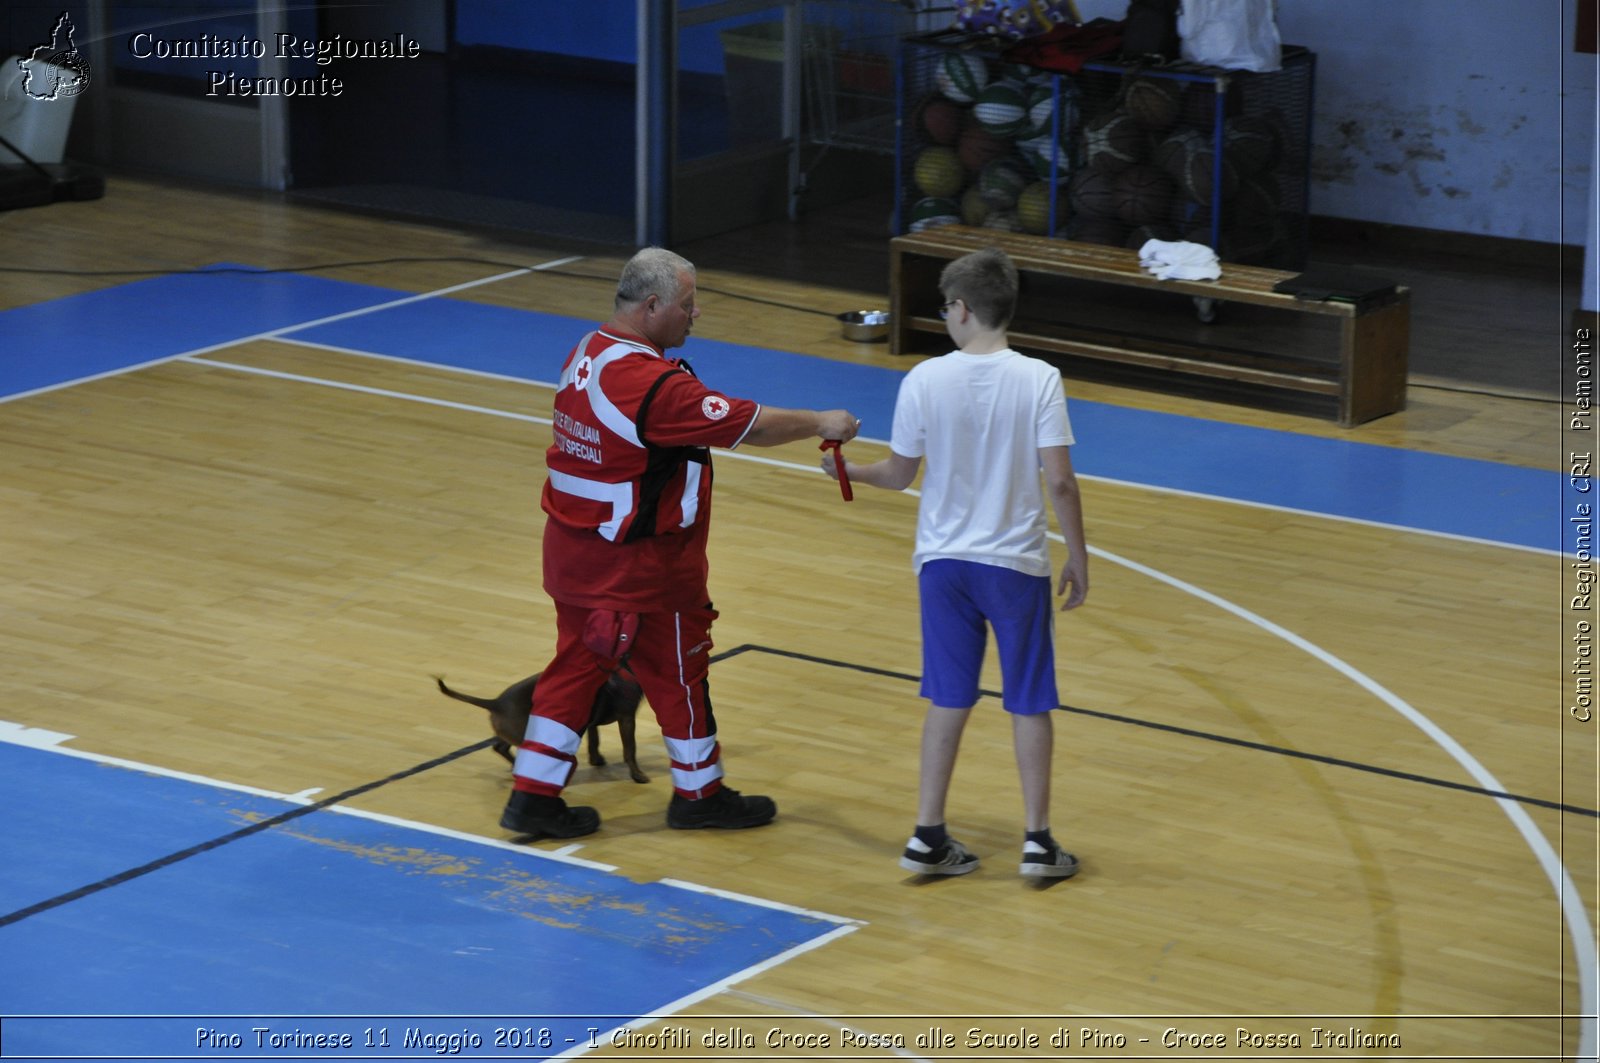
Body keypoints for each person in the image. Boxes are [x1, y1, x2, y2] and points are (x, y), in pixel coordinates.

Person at [503, 247, 860, 840]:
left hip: (575, 553)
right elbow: (753, 424)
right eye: (688, 306)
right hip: (638, 570)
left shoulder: (588, 353)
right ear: (651, 306)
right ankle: (691, 795)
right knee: (677, 669)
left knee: (586, 666)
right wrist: (821, 421)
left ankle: (542, 796)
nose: (697, 316)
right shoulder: (648, 384)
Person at [822, 246, 1089, 878]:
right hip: (1014, 565)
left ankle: (926, 835)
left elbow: (899, 472)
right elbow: (1061, 484)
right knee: (1028, 700)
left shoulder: (923, 380)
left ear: (962, 308)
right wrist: (1077, 555)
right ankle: (1038, 843)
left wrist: (848, 470)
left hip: (942, 566)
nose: (945, 317)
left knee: (947, 697)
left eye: (946, 307)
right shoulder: (1040, 378)